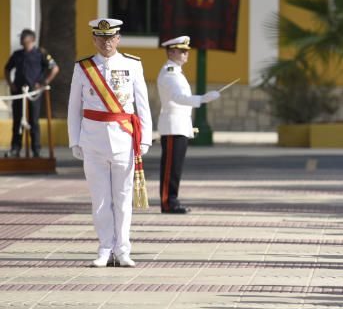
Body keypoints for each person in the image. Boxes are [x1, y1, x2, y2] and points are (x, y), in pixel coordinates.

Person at [67, 18, 152, 268]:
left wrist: (144, 139)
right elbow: (74, 107)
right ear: (94, 39)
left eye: (111, 37)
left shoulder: (132, 65)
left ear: (118, 39)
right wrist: (75, 140)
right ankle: (105, 247)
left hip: (124, 140)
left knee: (123, 198)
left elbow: (142, 104)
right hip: (92, 142)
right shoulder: (83, 68)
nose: (106, 42)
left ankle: (123, 249)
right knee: (100, 199)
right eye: (101, 38)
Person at [156, 36, 221, 214]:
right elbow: (178, 98)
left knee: (175, 167)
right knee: (170, 167)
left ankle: (172, 199)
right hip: (172, 126)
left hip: (179, 125)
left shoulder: (176, 72)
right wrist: (203, 98)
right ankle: (168, 202)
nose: (186, 53)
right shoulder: (170, 72)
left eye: (187, 50)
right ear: (171, 52)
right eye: (182, 50)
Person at [4, 28, 58, 157]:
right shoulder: (17, 54)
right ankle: (15, 149)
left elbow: (55, 68)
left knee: (33, 121)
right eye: (21, 37)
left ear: (31, 39)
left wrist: (44, 83)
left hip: (34, 92)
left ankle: (36, 150)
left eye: (24, 37)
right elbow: (7, 69)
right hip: (18, 92)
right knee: (17, 120)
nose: (22, 40)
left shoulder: (41, 53)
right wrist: (11, 84)